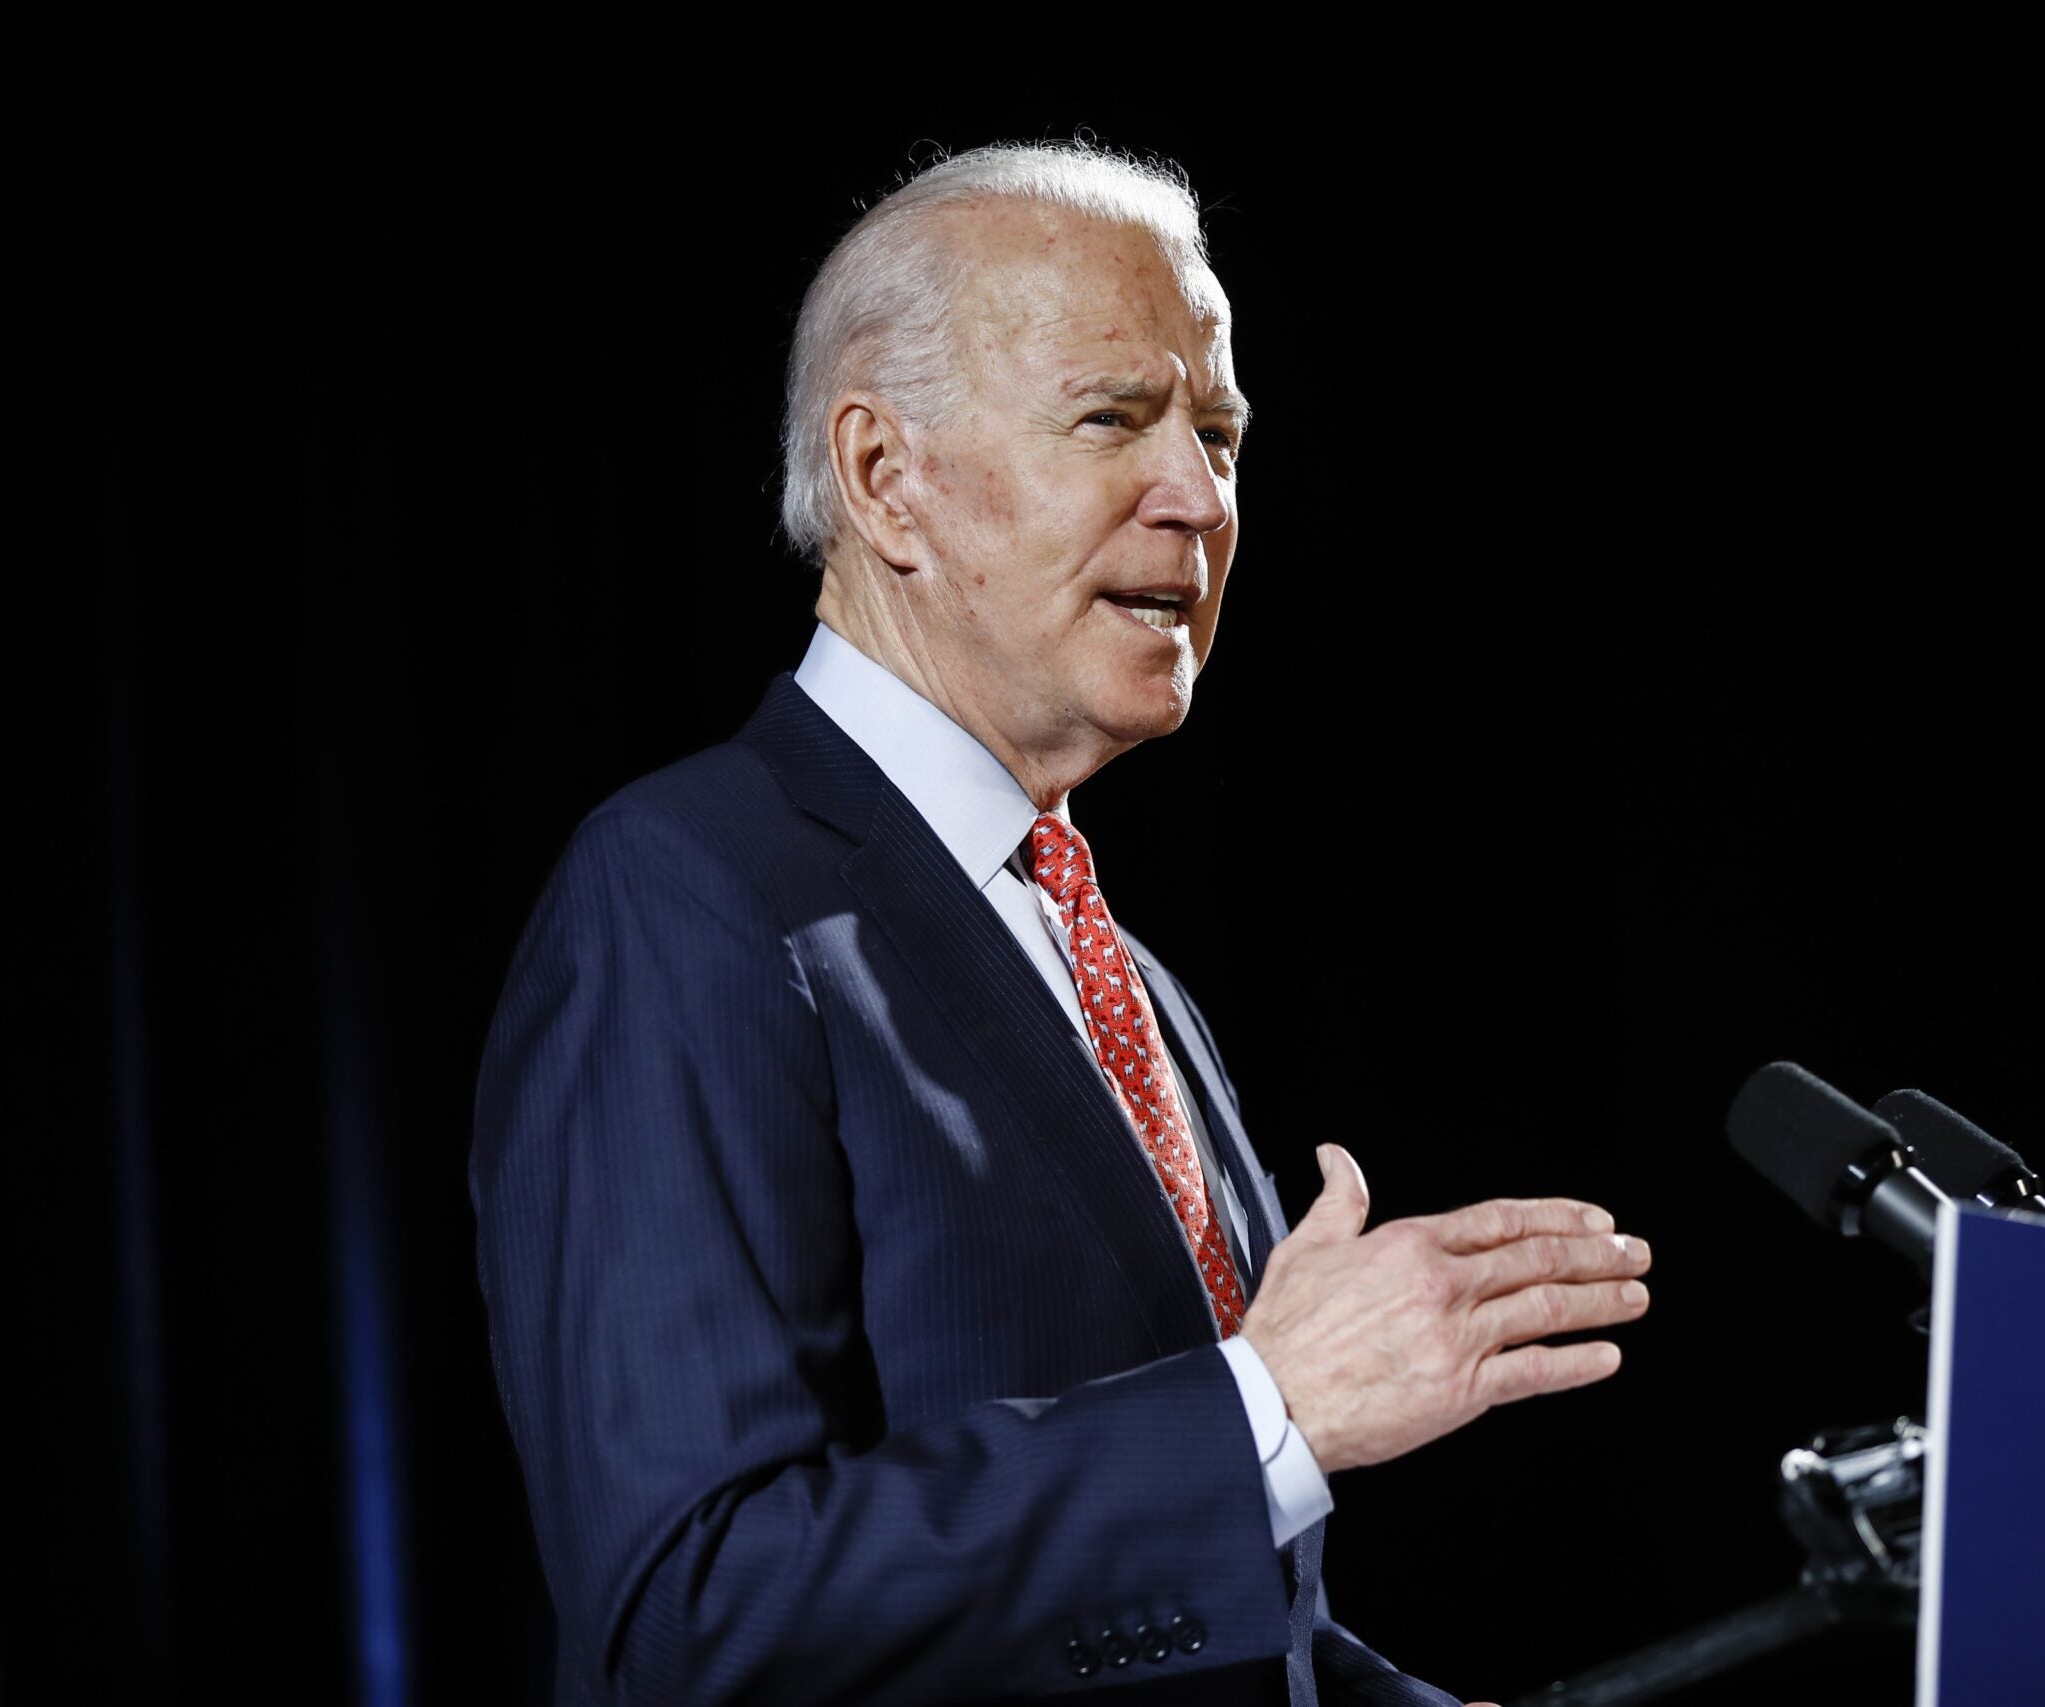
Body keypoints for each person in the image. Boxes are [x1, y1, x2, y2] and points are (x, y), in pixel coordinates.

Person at [470, 141, 1653, 1705]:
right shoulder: (687, 896)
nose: (1200, 499)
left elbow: (1210, 1633)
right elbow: (694, 1616)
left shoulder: (1119, 969)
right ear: (887, 479)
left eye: (1221, 433)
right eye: (1115, 419)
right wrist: (1267, 1409)